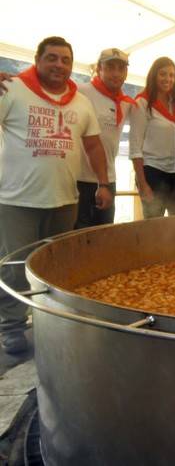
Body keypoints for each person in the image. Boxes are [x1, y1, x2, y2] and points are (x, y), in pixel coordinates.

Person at [0, 36, 112, 354]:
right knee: (13, 267)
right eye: (52, 58)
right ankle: (12, 327)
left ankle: (53, 321)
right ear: (37, 60)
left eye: (65, 60)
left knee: (58, 265)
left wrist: (103, 183)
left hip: (65, 199)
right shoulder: (12, 90)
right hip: (17, 199)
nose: (59, 65)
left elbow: (92, 145)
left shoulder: (80, 102)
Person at [75, 48, 135, 227]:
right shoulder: (80, 91)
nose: (116, 73)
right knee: (77, 236)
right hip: (79, 179)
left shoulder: (126, 103)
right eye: (110, 67)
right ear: (98, 69)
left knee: (104, 233)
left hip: (108, 179)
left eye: (121, 68)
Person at [129, 57, 175, 218]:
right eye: (163, 74)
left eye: (172, 75)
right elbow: (135, 147)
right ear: (154, 75)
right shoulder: (142, 103)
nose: (168, 79)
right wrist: (142, 184)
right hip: (154, 173)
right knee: (154, 226)